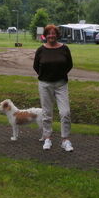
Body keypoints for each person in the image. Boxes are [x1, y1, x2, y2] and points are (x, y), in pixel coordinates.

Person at [33, 24, 74, 152]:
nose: (52, 35)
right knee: (46, 113)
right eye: (49, 33)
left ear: (57, 35)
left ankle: (65, 140)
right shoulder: (41, 50)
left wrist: (59, 74)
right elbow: (35, 66)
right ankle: (47, 138)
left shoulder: (64, 48)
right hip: (45, 84)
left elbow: (69, 64)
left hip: (61, 84)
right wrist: (45, 75)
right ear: (45, 35)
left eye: (54, 33)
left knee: (65, 112)